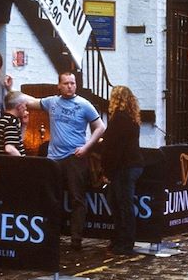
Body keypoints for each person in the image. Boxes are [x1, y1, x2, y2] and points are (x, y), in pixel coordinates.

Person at [28, 72, 106, 250]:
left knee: (77, 198)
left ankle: (76, 239)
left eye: (73, 83)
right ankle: (50, 235)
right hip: (54, 158)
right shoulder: (52, 102)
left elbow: (100, 127)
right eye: (66, 83)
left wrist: (87, 147)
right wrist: (8, 89)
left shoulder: (84, 104)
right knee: (50, 196)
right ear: (59, 86)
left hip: (75, 157)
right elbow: (31, 102)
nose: (70, 86)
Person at [101, 86, 144, 255]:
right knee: (121, 204)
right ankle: (120, 240)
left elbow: (113, 149)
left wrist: (107, 172)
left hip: (124, 167)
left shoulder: (118, 119)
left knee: (123, 206)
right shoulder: (132, 119)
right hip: (133, 165)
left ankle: (124, 243)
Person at [0, 91, 28, 156]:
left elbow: (16, 142)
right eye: (25, 105)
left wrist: (24, 125)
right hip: (10, 165)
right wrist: (23, 162)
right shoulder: (11, 122)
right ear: (19, 107)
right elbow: (9, 148)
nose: (26, 108)